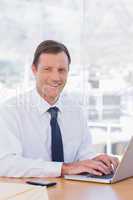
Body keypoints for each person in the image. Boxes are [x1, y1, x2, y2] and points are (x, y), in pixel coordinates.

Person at [0, 40, 118, 177]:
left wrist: (95, 161)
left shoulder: (76, 111)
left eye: (61, 70)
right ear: (34, 70)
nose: (56, 77)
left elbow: (83, 155)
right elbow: (5, 163)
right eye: (47, 69)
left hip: (71, 192)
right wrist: (63, 168)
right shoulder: (10, 111)